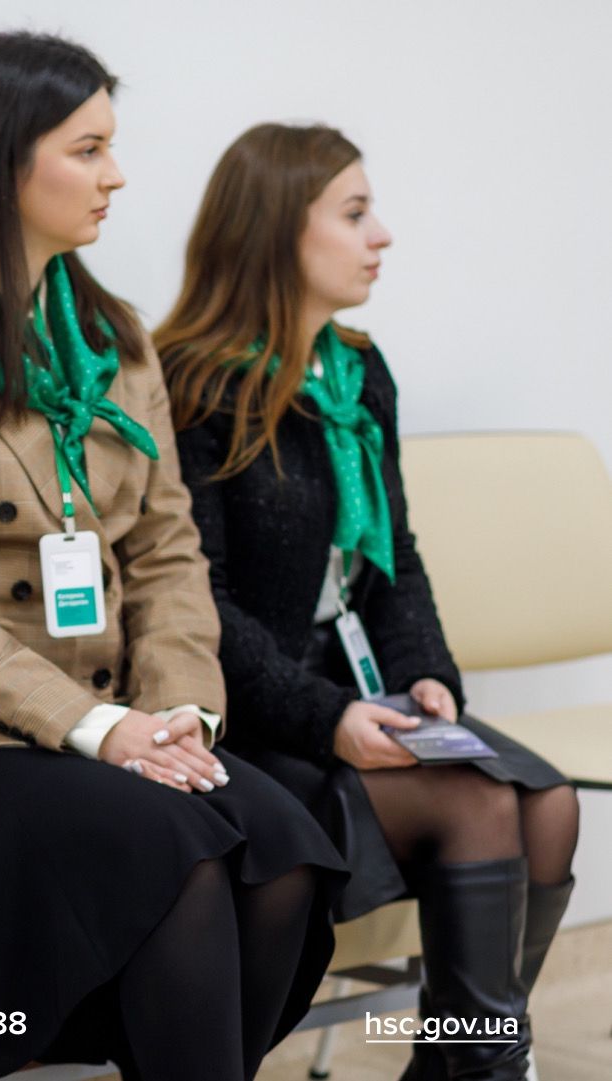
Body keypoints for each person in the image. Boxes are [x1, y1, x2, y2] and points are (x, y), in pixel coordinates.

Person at [0, 33, 345, 1081]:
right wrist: (97, 729)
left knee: (282, 851)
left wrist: (180, 710)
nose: (116, 175)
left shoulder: (114, 338)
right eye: (87, 149)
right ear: (0, 161)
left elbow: (167, 550)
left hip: (112, 720)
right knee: (178, 856)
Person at [156, 122, 579, 1081]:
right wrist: (327, 716)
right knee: (482, 801)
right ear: (275, 230)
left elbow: (393, 561)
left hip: (352, 689)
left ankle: (455, 1064)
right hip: (254, 713)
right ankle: (481, 1070)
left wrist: (425, 672)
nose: (380, 234)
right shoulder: (193, 384)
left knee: (550, 803)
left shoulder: (354, 370)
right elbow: (192, 602)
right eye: (353, 214)